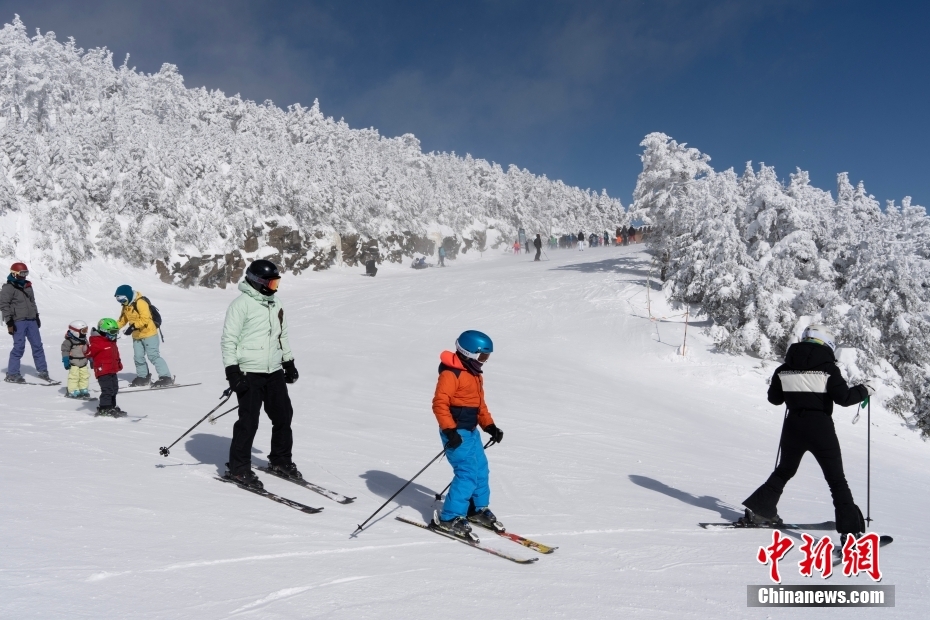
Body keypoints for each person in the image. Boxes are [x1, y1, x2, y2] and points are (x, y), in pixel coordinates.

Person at [741, 324, 873, 539]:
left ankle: (761, 512)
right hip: (820, 427)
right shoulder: (828, 369)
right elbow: (845, 399)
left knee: (784, 471)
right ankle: (850, 533)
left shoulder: (783, 369)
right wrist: (866, 389)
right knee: (836, 480)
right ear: (827, 344)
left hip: (793, 425)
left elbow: (774, 400)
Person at [221, 259, 300, 489]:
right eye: (272, 283)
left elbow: (281, 337)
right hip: (249, 372)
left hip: (273, 370)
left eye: (276, 283)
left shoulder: (276, 304)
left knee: (283, 416)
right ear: (258, 281)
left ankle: (281, 460)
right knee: (249, 422)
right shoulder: (241, 305)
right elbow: (229, 340)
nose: (275, 287)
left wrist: (289, 362)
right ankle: (238, 468)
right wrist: (232, 372)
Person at [430, 330, 505, 539]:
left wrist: (489, 426)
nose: (484, 362)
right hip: (455, 431)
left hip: (471, 431)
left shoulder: (475, 374)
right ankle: (449, 518)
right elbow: (440, 404)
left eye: (486, 358)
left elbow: (479, 406)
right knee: (467, 473)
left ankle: (475, 509)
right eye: (482, 357)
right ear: (469, 353)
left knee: (481, 469)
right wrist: (449, 430)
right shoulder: (451, 373)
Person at [1, 262, 51, 384]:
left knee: (37, 345)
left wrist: (36, 315)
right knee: (19, 347)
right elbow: (3, 305)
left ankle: (42, 371)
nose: (24, 276)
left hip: (31, 320)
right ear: (14, 273)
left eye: (26, 273)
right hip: (18, 321)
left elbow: (32, 302)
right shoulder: (8, 288)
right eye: (22, 273)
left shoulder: (28, 286)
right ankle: (12, 374)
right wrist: (9, 322)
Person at [114, 285, 172, 387]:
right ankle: (143, 377)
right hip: (137, 336)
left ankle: (166, 377)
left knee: (153, 356)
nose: (122, 303)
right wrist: (112, 328)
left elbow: (145, 318)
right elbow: (122, 320)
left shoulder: (140, 303)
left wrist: (132, 328)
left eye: (123, 300)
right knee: (138, 357)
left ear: (128, 296)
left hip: (149, 334)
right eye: (119, 301)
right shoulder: (126, 306)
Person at [85, 318, 124, 416]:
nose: (115, 334)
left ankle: (112, 406)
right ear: (104, 331)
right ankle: (104, 408)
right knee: (107, 389)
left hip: (112, 370)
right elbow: (89, 353)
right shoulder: (97, 342)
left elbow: (115, 354)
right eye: (113, 332)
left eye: (116, 332)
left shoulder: (112, 341)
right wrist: (85, 349)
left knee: (114, 389)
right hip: (102, 371)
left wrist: (118, 363)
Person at [61, 320, 91, 399]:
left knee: (84, 376)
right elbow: (65, 351)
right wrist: (65, 360)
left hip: (83, 362)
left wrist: (91, 359)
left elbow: (88, 350)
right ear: (75, 331)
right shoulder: (68, 341)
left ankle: (83, 389)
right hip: (73, 362)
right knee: (74, 377)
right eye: (83, 331)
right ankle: (73, 390)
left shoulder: (84, 339)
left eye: (86, 330)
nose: (85, 333)